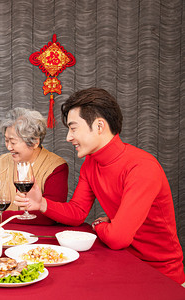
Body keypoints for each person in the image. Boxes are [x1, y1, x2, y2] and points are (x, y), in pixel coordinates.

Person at [14, 87, 185, 285]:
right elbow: (77, 212)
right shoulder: (91, 163)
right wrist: (42, 203)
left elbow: (118, 238)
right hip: (122, 261)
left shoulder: (141, 167)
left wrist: (100, 225)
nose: (68, 137)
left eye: (73, 128)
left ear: (99, 126)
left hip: (161, 275)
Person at [0, 107, 69, 224]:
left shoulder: (56, 166)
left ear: (34, 142)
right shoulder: (1, 161)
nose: (8, 147)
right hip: (6, 235)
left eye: (13, 142)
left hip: (37, 236)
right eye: (6, 140)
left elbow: (50, 215)